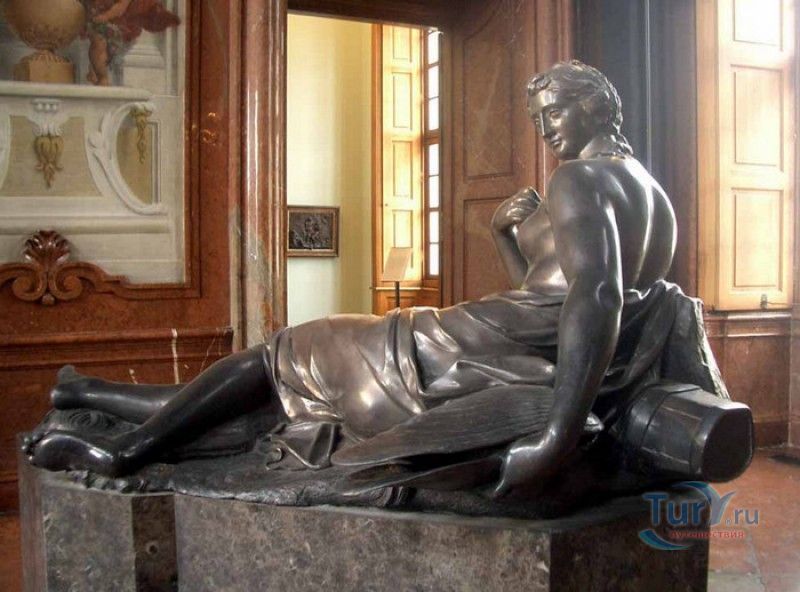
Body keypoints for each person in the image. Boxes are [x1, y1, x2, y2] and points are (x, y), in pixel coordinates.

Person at [24, 62, 729, 498]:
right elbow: (558, 295)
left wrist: (556, 436)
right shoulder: (651, 192)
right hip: (506, 343)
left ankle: (125, 449)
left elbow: (596, 299)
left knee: (282, 356)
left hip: (471, 349)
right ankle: (85, 393)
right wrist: (502, 239)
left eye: (556, 112)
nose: (545, 128)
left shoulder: (578, 180)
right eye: (538, 117)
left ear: (597, 106)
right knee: (279, 392)